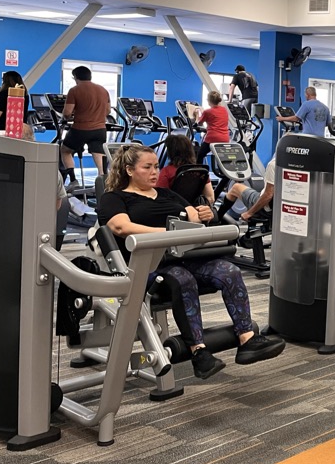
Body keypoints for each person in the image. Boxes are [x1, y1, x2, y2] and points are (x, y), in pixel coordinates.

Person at [97, 144, 285, 379]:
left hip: (186, 256)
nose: (155, 172)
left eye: (156, 166)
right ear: (129, 170)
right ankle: (198, 352)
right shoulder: (115, 198)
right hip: (150, 266)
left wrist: (205, 214)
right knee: (182, 279)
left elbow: (193, 215)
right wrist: (167, 234)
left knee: (229, 271)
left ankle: (247, 339)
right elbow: (120, 226)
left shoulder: (165, 193)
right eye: (147, 167)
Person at [60, 65, 111, 186]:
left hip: (80, 129)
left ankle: (73, 180)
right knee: (98, 153)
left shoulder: (74, 90)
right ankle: (103, 180)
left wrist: (68, 117)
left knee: (65, 150)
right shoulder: (103, 90)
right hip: (100, 130)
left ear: (75, 77)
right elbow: (108, 111)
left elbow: (67, 112)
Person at [156, 134, 215, 206]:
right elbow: (211, 198)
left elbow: (160, 199)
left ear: (170, 152)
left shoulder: (166, 172)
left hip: (174, 211)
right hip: (195, 211)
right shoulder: (200, 171)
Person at [220, 156, 277, 225]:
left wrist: (249, 213)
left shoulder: (274, 164)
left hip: (266, 209)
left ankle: (219, 218)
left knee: (236, 187)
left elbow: (268, 195)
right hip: (280, 209)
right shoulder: (292, 163)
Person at [193, 90, 231, 167]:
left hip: (212, 139)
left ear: (209, 101)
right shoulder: (224, 110)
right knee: (223, 159)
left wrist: (197, 115)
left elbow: (199, 123)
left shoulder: (207, 112)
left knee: (200, 155)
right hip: (225, 139)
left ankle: (198, 172)